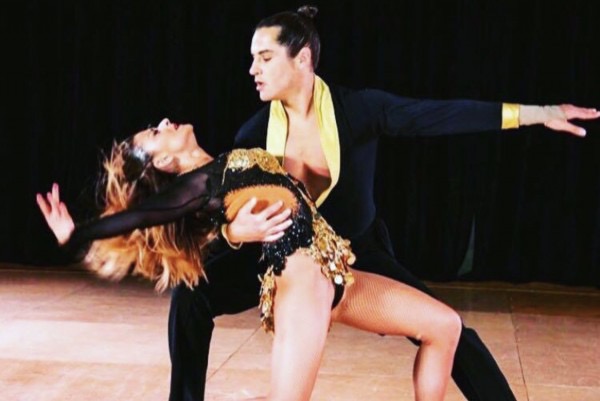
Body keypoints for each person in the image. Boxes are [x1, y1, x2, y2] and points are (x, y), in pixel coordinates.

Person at [166, 5, 600, 401]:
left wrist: (540, 113)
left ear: (302, 58)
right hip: (291, 257)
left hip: (360, 252)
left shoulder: (359, 110)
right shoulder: (253, 134)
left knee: (451, 330)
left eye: (264, 57)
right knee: (190, 296)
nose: (252, 69)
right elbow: (229, 209)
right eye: (252, 58)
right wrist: (232, 233)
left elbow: (440, 115)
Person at [37, 117, 465, 401]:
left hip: (338, 275)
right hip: (301, 283)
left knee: (445, 326)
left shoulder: (227, 163)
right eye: (155, 132)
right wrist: (78, 234)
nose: (164, 123)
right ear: (164, 161)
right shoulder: (200, 186)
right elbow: (144, 214)